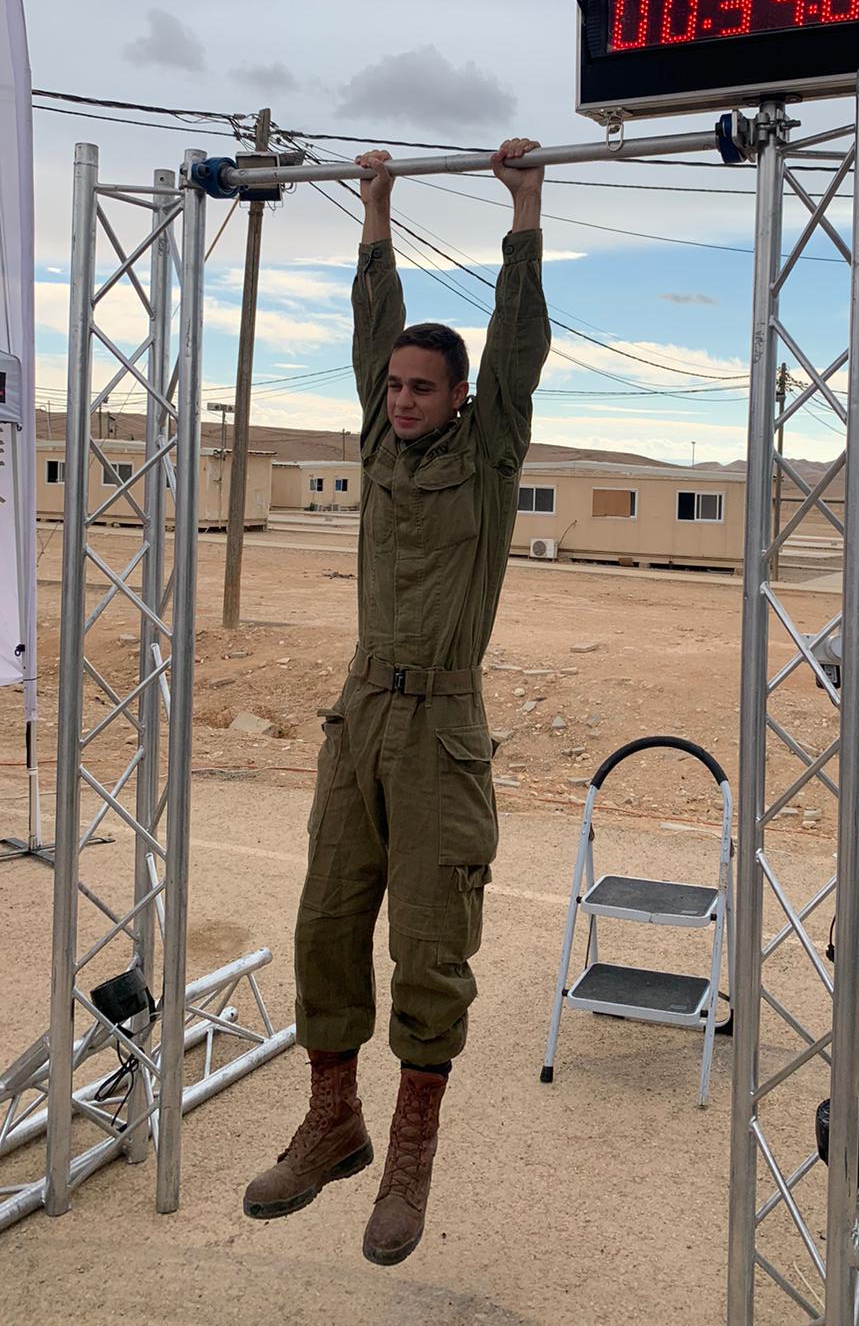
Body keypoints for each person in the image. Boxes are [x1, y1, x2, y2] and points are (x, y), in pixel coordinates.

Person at [244, 138, 551, 1265]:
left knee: (429, 944)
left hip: (441, 731)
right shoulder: (380, 443)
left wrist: (524, 211)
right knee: (326, 922)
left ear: (460, 396)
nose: (403, 397)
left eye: (424, 386)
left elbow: (518, 347)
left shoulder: (492, 453)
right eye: (395, 385)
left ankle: (411, 1155)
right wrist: (374, 208)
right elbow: (372, 325)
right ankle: (334, 1121)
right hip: (359, 714)